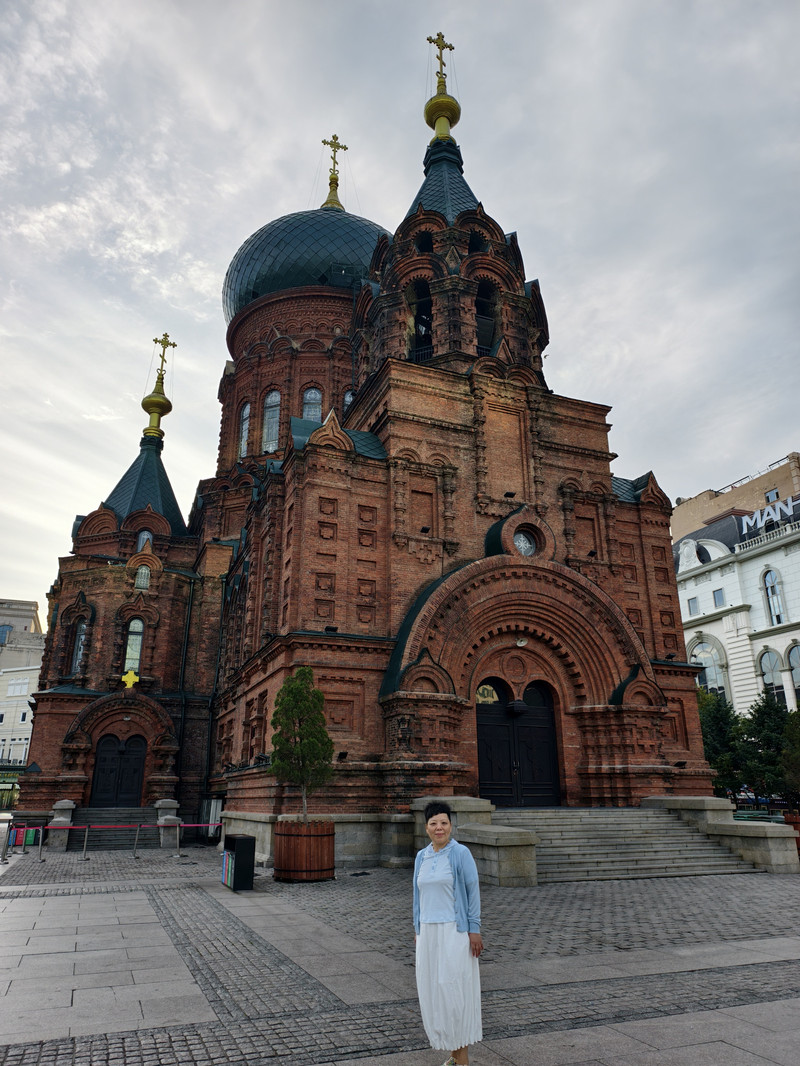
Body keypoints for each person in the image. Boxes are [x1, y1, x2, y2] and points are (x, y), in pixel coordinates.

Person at [413, 800, 483, 1066]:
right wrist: (417, 929)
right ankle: (454, 1056)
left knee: (454, 992)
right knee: (434, 992)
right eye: (433, 823)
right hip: (428, 934)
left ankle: (461, 1060)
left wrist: (474, 929)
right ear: (426, 827)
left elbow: (472, 891)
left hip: (454, 931)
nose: (439, 827)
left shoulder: (461, 853)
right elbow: (417, 896)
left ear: (451, 826)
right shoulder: (421, 857)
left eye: (443, 822)